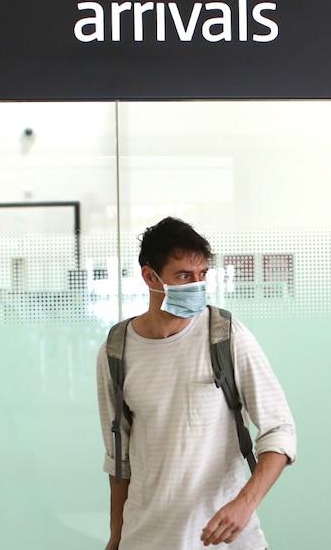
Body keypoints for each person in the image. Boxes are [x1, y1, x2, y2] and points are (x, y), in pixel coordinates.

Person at [96, 216, 297, 550]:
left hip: (226, 541)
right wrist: (116, 537)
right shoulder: (116, 351)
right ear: (150, 276)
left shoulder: (226, 337)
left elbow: (280, 431)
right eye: (184, 276)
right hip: (146, 539)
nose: (197, 285)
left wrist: (245, 504)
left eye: (202, 274)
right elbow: (119, 461)